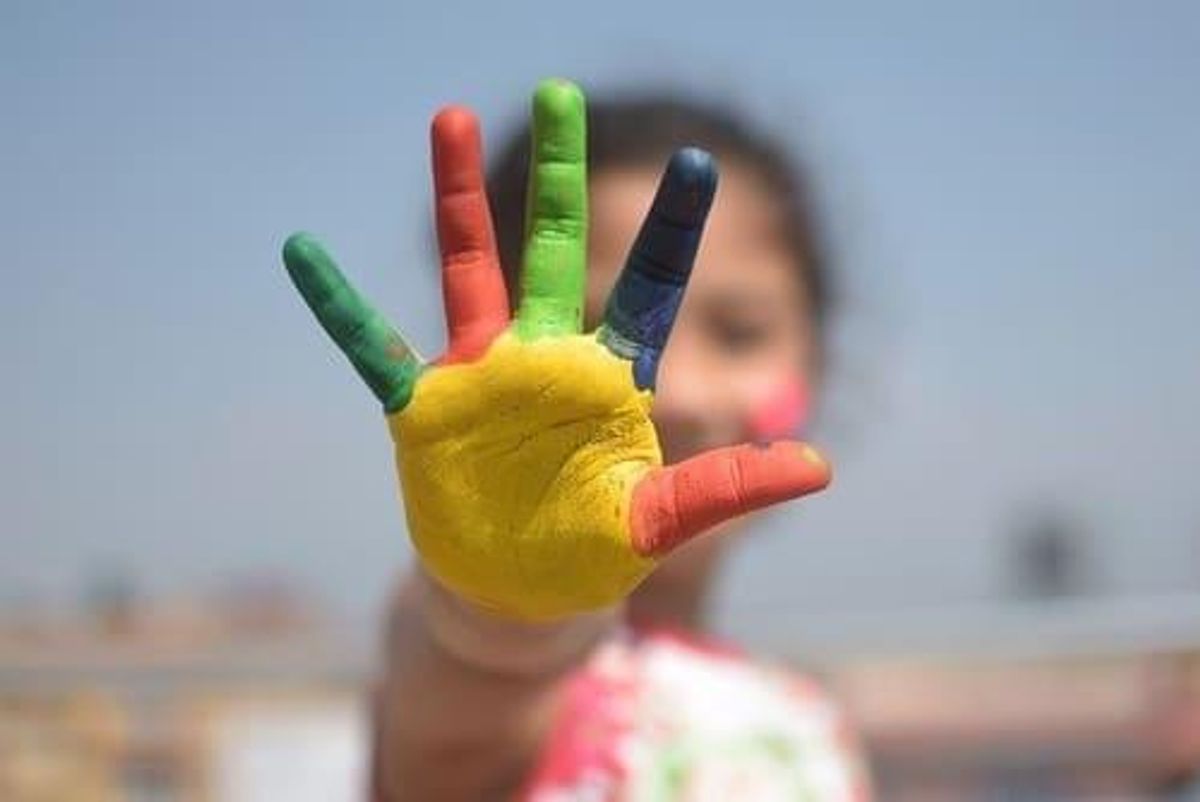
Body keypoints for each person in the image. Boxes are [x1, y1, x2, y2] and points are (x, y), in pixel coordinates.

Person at [282, 79, 870, 801]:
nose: (680, 394)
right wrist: (507, 601)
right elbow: (470, 670)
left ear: (817, 357)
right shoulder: (492, 656)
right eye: (596, 334)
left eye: (739, 333)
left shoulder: (809, 721)